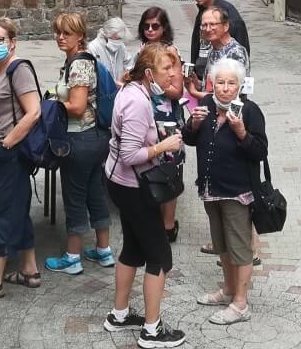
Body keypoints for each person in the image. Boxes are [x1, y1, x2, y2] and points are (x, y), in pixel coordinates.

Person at [102, 43, 186, 348]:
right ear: (149, 73)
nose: (172, 74)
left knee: (133, 249)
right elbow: (129, 155)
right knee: (159, 257)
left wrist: (154, 137)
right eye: (166, 68)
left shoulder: (132, 90)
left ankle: (119, 315)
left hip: (120, 183)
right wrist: (163, 146)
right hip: (133, 187)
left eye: (173, 67)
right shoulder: (138, 101)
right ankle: (152, 330)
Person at [183, 57, 268, 326]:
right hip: (211, 188)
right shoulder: (206, 105)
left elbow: (260, 151)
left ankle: (241, 303)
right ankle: (229, 290)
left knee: (240, 248)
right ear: (212, 83)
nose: (225, 88)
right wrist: (193, 125)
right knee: (221, 244)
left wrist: (242, 132)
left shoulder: (250, 111)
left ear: (240, 85)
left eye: (231, 83)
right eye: (220, 82)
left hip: (237, 192)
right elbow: (188, 138)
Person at [0, 18, 42, 298]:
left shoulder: (19, 69)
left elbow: (34, 111)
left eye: (0, 39)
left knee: (4, 212)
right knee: (18, 206)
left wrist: (8, 141)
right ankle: (29, 270)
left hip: (10, 151)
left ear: (12, 42)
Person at [45, 13, 113, 275]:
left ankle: (72, 258)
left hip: (80, 139)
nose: (60, 37)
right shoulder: (79, 60)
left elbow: (77, 106)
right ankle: (104, 251)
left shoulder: (79, 64)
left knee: (74, 197)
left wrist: (51, 104)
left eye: (67, 33)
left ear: (81, 36)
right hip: (95, 139)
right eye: (58, 32)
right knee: (95, 193)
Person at [149, 45, 187, 244]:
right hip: (150, 123)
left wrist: (155, 83)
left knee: (171, 170)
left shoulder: (172, 53)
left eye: (155, 28)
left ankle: (168, 226)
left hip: (170, 122)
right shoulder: (143, 53)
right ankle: (155, 224)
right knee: (151, 170)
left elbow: (178, 91)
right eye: (146, 28)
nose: (150, 31)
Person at [188, 0, 250, 83]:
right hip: (203, 79)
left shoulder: (231, 16)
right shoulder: (202, 10)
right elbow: (196, 43)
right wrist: (193, 71)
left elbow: (243, 56)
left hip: (223, 84)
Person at [187, 6, 250, 99]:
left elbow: (227, 96)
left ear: (226, 26)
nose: (208, 29)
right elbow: (211, 88)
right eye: (204, 25)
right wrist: (197, 83)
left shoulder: (235, 53)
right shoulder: (214, 49)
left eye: (212, 24)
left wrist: (194, 92)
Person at [88, 17, 130, 88]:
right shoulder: (93, 48)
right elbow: (93, 76)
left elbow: (128, 65)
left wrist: (125, 76)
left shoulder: (121, 46)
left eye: (119, 39)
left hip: (120, 88)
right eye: (115, 38)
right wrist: (114, 83)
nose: (117, 42)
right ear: (106, 34)